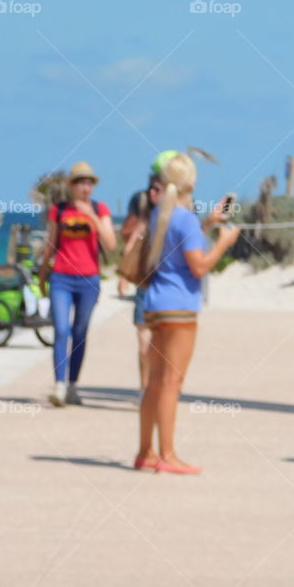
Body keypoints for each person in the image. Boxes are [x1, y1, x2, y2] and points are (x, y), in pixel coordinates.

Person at [135, 153, 240, 475]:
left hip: (154, 303)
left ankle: (146, 452)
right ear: (191, 182)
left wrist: (208, 224)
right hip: (179, 306)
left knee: (154, 382)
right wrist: (224, 243)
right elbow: (198, 266)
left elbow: (177, 249)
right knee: (171, 383)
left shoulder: (160, 215)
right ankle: (167, 454)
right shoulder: (184, 218)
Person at [39, 162, 118, 407]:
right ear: (71, 185)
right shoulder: (59, 210)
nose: (85, 187)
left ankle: (73, 384)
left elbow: (111, 245)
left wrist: (92, 216)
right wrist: (42, 275)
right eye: (80, 182)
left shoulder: (99, 209)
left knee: (80, 333)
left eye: (89, 182)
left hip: (88, 279)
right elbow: (51, 244)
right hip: (61, 277)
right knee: (61, 330)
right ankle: (59, 385)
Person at [120, 151, 179, 403]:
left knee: (165, 344)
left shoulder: (182, 204)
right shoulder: (142, 200)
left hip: (170, 283)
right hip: (146, 280)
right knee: (145, 345)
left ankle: (161, 388)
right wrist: (125, 270)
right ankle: (144, 389)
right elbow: (130, 233)